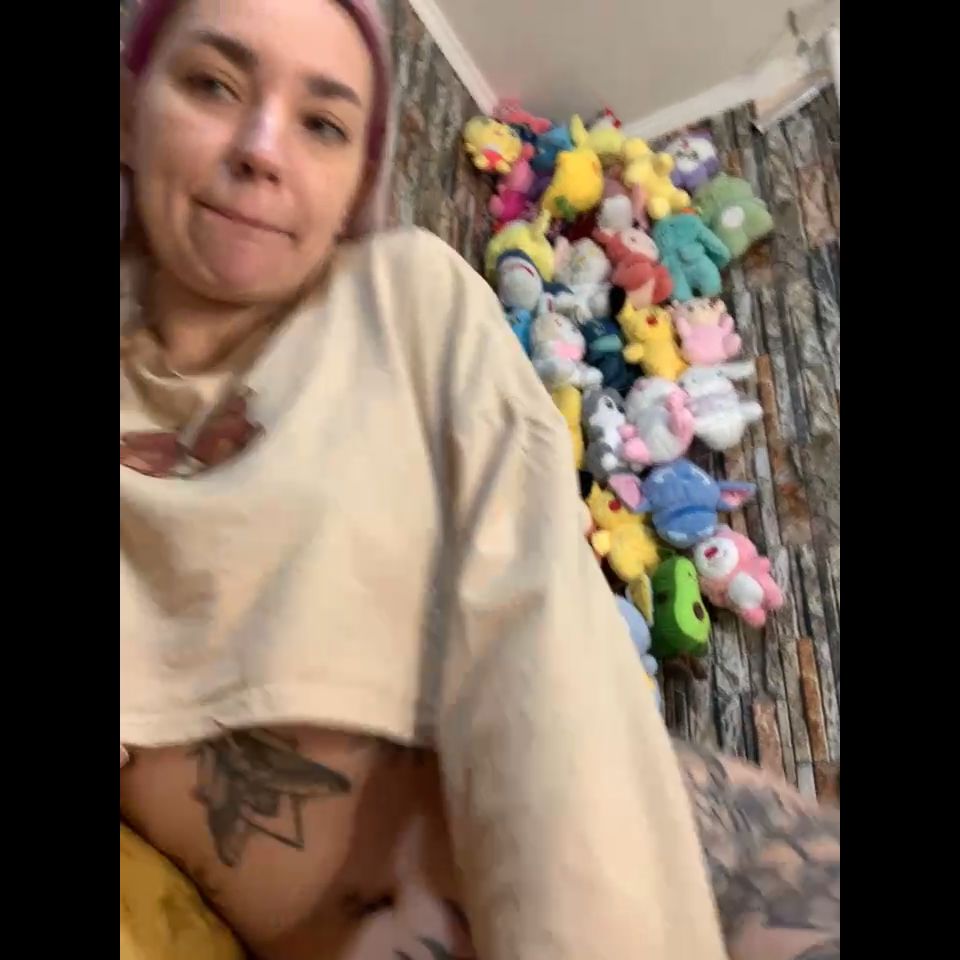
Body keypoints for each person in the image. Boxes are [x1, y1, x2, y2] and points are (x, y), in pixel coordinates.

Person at [119, 2, 840, 958]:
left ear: (356, 183)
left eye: (323, 123)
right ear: (130, 109)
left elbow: (532, 609)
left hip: (678, 869)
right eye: (214, 84)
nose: (261, 148)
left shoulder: (399, 302)